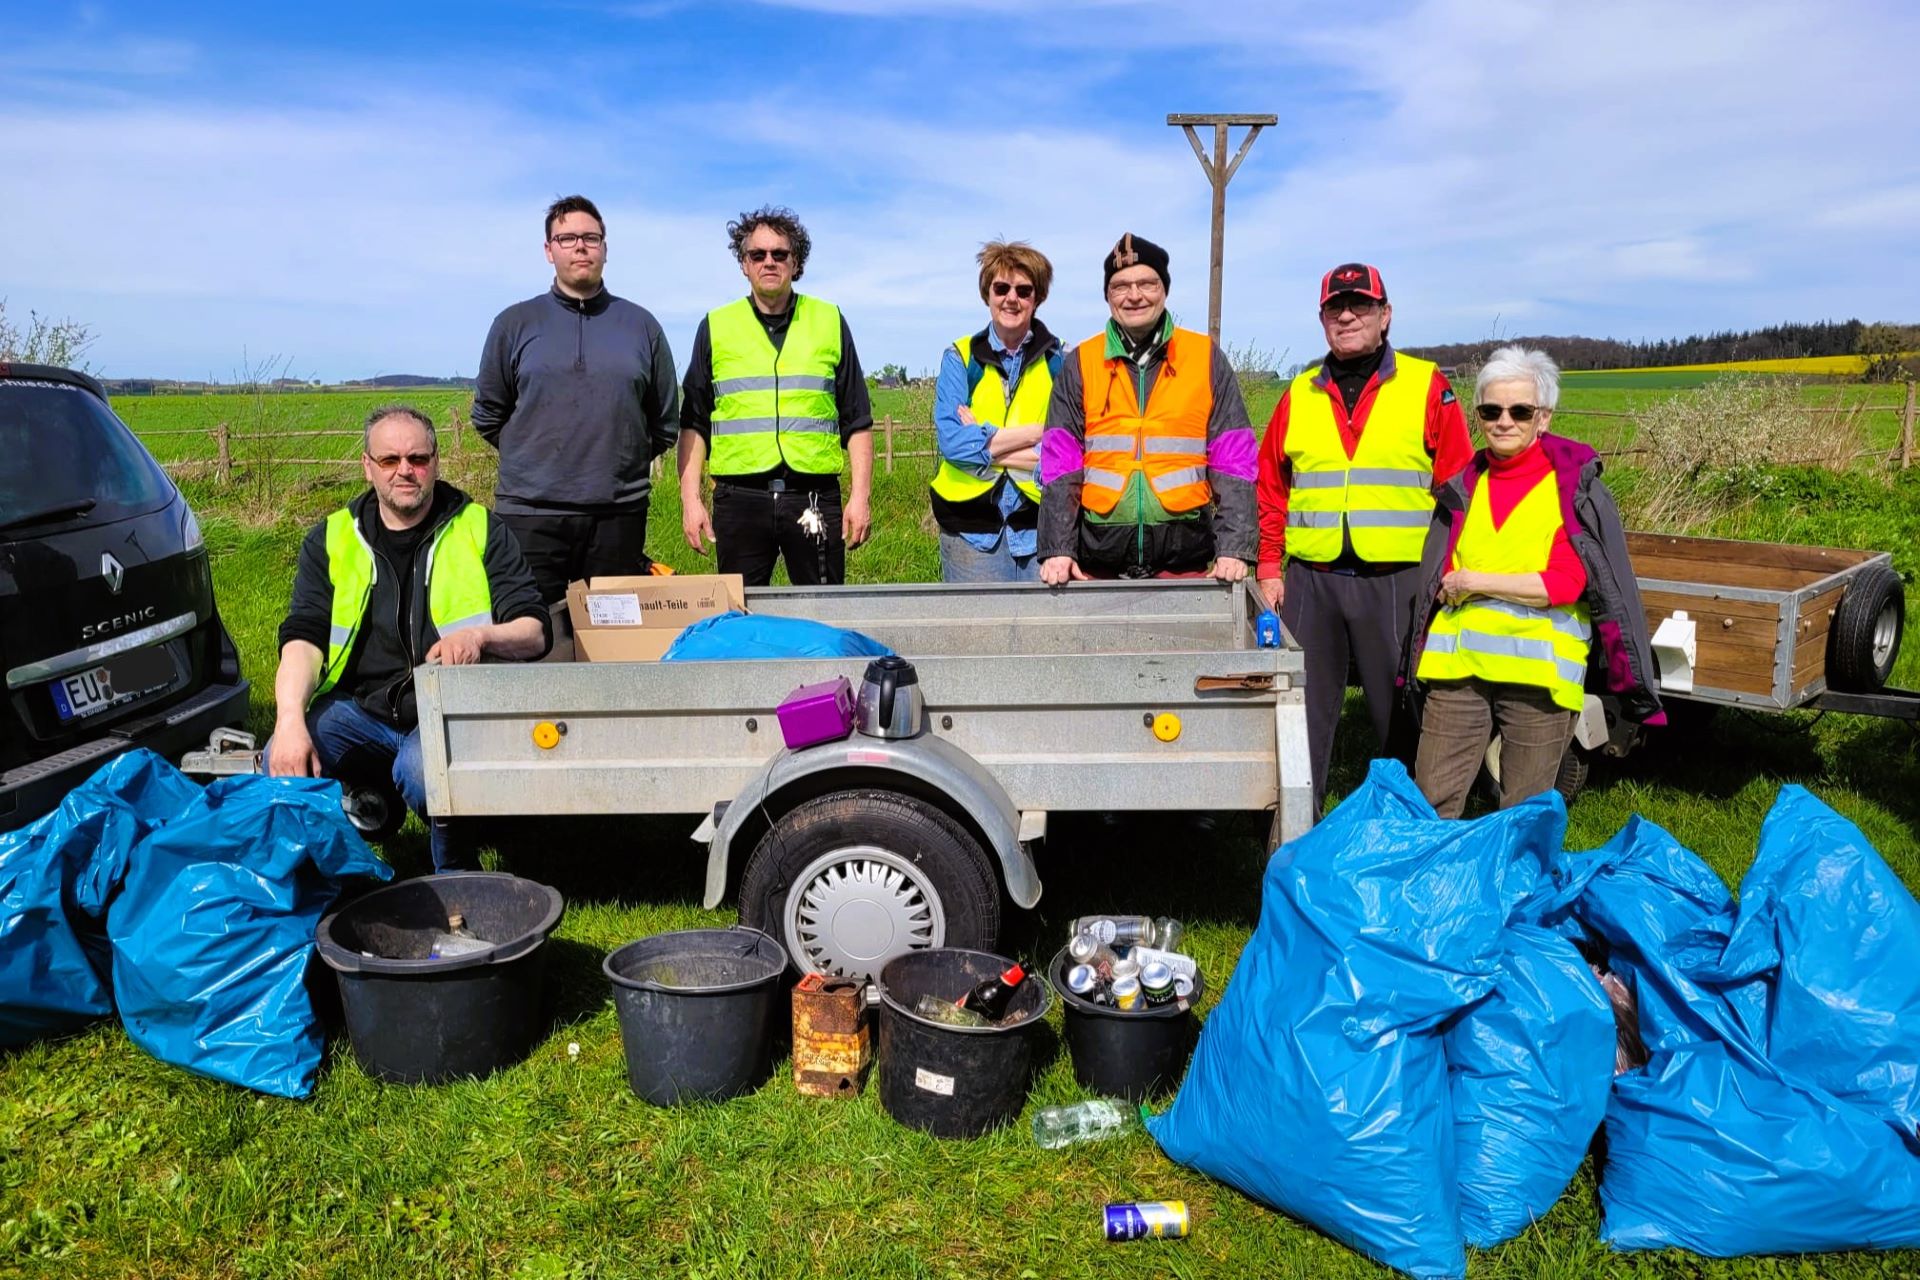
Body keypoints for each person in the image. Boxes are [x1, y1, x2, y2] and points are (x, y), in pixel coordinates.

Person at [268, 406, 550, 870]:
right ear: (367, 466)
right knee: (281, 759)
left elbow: (534, 631)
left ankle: (461, 878)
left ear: (436, 462)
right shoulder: (333, 538)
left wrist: (480, 637)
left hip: (450, 709)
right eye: (390, 460)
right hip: (359, 708)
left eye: (418, 458)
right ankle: (319, 879)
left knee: (424, 772)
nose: (405, 470)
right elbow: (304, 637)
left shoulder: (480, 527)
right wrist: (288, 721)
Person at [1405, 346, 1665, 817]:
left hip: (1538, 679)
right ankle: (1433, 888)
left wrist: (1473, 582)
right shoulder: (1463, 486)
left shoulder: (1569, 486)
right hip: (1457, 674)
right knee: (1431, 803)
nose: (1504, 421)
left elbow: (1564, 584)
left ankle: (1520, 892)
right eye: (1491, 410)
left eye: (1519, 411)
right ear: (1478, 415)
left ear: (1542, 418)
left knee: (1524, 814)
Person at [1254, 262, 1474, 813]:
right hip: (1311, 580)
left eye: (1361, 305)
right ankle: (1298, 830)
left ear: (1386, 315)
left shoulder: (1428, 386)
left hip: (1395, 580)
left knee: (1401, 713)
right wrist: (1269, 567)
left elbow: (1462, 490)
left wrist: (1452, 570)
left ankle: (1406, 826)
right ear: (1322, 319)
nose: (1347, 315)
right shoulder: (1299, 393)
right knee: (1299, 712)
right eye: (1335, 308)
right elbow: (1270, 489)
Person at [471, 194, 680, 604]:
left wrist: (616, 461)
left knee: (612, 643)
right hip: (529, 516)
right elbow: (489, 416)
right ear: (549, 251)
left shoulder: (642, 326)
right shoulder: (514, 324)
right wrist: (537, 458)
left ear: (605, 248)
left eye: (591, 237)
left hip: (617, 516)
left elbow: (663, 422)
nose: (580, 246)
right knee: (530, 637)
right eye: (567, 238)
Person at [1036, 233, 1257, 583]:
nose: (1134, 295)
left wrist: (1235, 546)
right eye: (1121, 286)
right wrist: (1057, 548)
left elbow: (1235, 460)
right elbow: (1060, 463)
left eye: (1147, 283)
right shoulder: (1081, 362)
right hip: (1097, 564)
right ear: (1108, 296)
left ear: (1164, 290)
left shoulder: (1204, 357)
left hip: (1186, 560)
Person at [677, 206, 874, 586]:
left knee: (824, 614)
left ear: (795, 262)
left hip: (813, 496)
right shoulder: (716, 326)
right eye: (757, 254)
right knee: (740, 618)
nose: (769, 262)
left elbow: (857, 419)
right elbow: (695, 423)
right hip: (739, 500)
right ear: (744, 264)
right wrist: (691, 500)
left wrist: (860, 496)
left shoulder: (828, 320)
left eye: (780, 254)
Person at [929, 241, 1061, 582]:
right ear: (987, 294)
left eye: (1024, 290)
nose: (1011, 298)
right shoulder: (960, 357)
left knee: (1042, 636)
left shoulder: (1060, 362)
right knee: (976, 635)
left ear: (1038, 297)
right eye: (1001, 288)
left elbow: (1070, 453)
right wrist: (1037, 433)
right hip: (970, 534)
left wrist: (985, 441)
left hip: (1040, 530)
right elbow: (954, 445)